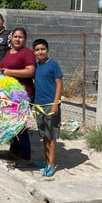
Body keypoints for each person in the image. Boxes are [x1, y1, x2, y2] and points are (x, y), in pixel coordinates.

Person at [0, 27, 36, 165]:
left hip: (24, 95)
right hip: (9, 95)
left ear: (25, 40)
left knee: (20, 127)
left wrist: (10, 72)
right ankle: (14, 151)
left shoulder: (27, 53)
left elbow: (30, 71)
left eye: (21, 37)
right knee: (12, 126)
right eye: (15, 36)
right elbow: (3, 70)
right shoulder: (8, 53)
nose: (18, 39)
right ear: (11, 38)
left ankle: (26, 158)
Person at [32, 38, 63, 177]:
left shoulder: (53, 65)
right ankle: (46, 161)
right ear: (34, 52)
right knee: (44, 135)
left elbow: (59, 84)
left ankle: (51, 164)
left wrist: (55, 104)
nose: (40, 52)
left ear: (47, 49)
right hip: (38, 105)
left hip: (50, 105)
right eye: (37, 50)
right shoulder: (36, 66)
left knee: (51, 136)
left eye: (42, 49)